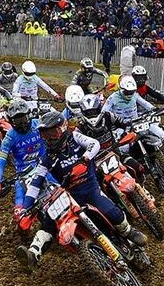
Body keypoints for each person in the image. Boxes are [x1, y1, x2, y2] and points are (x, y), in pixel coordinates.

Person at [15, 111, 146, 269]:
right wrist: (25, 209)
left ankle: (128, 231)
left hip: (89, 187)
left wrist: (85, 158)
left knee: (110, 210)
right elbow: (35, 183)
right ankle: (33, 253)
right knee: (50, 219)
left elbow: (94, 144)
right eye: (45, 135)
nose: (49, 139)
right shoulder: (47, 158)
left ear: (62, 128)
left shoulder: (74, 138)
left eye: (52, 133)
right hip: (70, 195)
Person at [0, 99, 47, 215]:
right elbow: (1, 160)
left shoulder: (39, 124)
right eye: (17, 121)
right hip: (24, 172)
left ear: (29, 116)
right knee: (19, 203)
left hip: (46, 163)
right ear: (11, 121)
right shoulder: (9, 137)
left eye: (23, 119)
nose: (22, 124)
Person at [103, 76, 164, 143]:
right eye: (127, 92)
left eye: (131, 92)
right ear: (121, 89)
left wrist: (154, 109)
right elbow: (104, 111)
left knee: (160, 133)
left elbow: (145, 103)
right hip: (121, 126)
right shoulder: (113, 97)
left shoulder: (135, 95)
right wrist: (110, 119)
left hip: (136, 122)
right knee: (124, 146)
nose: (129, 95)